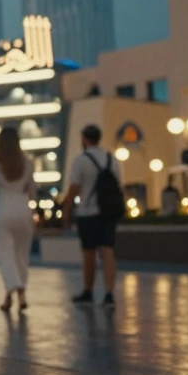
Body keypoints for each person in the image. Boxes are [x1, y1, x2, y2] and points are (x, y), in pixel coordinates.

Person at [61, 125, 119, 308]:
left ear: (84, 139)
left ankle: (88, 291)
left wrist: (66, 211)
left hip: (88, 212)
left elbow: (74, 189)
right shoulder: (112, 159)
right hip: (109, 212)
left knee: (89, 252)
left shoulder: (81, 160)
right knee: (108, 250)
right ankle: (109, 293)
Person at [0, 127, 36, 313]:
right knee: (21, 255)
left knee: (5, 254)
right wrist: (34, 211)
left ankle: (12, 288)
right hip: (23, 209)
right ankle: (19, 295)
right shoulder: (27, 164)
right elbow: (32, 192)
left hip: (2, 209)